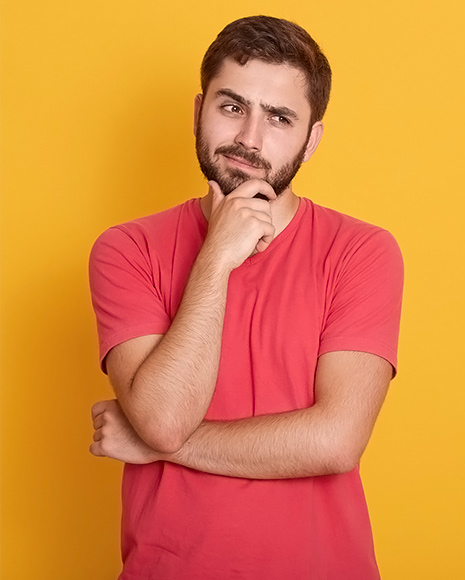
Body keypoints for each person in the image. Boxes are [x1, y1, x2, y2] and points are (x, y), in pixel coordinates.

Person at [88, 15, 403, 580]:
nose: (249, 139)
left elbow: (335, 441)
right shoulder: (126, 249)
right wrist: (217, 256)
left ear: (312, 139)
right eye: (231, 107)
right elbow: (163, 418)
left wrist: (159, 445)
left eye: (279, 118)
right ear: (198, 111)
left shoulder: (363, 252)